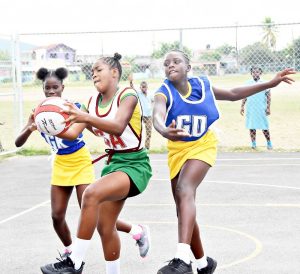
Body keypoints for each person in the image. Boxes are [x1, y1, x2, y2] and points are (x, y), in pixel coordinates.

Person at [152, 49, 295, 274]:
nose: (171, 65)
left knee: (184, 189)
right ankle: (203, 264)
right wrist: (163, 131)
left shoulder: (202, 84)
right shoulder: (163, 92)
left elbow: (232, 92)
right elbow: (157, 116)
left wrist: (269, 83)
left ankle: (182, 260)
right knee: (183, 208)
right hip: (177, 151)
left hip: (203, 145)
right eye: (167, 63)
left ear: (188, 68)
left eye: (177, 61)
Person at [15, 67, 150, 267]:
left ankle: (134, 231)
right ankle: (70, 251)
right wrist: (31, 127)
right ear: (43, 89)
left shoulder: (74, 108)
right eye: (47, 89)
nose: (51, 92)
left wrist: (52, 126)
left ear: (63, 87)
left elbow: (72, 134)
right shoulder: (40, 112)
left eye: (55, 88)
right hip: (60, 163)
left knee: (91, 211)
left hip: (79, 161)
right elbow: (18, 143)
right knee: (56, 216)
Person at [240, 66, 273, 150]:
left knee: (264, 126)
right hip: (251, 107)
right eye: (253, 72)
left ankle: (269, 142)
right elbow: (244, 95)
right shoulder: (247, 83)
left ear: (260, 73)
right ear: (251, 73)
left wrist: (268, 107)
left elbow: (269, 96)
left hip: (261, 107)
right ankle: (253, 143)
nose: (255, 73)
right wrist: (242, 106)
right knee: (252, 126)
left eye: (257, 72)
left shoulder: (265, 83)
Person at [136, 81, 153, 150]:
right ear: (140, 88)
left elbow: (153, 101)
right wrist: (131, 82)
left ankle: (147, 147)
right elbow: (132, 88)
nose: (144, 89)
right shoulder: (139, 94)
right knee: (138, 131)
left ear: (147, 87)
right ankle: (138, 146)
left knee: (149, 132)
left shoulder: (150, 94)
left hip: (149, 115)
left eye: (145, 87)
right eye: (142, 87)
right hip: (141, 115)